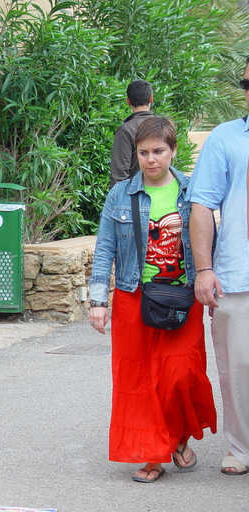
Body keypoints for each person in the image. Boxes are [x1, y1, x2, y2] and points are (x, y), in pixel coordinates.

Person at [89, 117, 217, 483]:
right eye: (143, 152)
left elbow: (211, 242)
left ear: (173, 150)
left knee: (180, 375)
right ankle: (153, 455)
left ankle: (176, 438)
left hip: (182, 298)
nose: (151, 159)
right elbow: (105, 249)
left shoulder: (193, 192)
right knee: (140, 381)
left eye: (158, 151)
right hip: (134, 298)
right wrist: (99, 300)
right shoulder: (121, 194)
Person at [187, 57, 249, 476]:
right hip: (238, 274)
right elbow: (202, 204)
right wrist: (204, 269)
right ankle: (242, 446)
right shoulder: (225, 139)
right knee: (238, 366)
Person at [109, 79, 154, 188]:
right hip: (162, 195)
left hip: (134, 198)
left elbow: (119, 175)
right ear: (151, 98)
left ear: (128, 101)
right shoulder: (164, 127)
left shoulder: (125, 130)